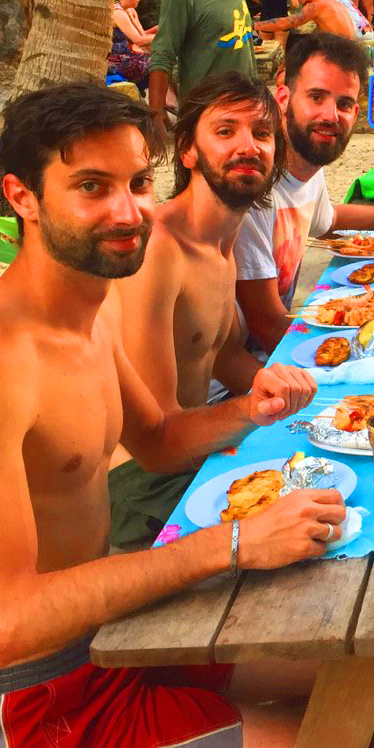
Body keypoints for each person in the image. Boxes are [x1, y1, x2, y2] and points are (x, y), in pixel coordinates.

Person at [0, 82, 374, 748]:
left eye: (137, 183)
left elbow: (161, 441)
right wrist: (234, 544)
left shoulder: (85, 314)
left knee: (346, 668)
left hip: (108, 637)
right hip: (36, 710)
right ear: (22, 197)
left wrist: (252, 410)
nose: (128, 211)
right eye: (91, 187)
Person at [106, 73, 283, 549]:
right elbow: (155, 431)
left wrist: (306, 396)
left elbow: (223, 357)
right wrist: (251, 412)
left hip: (191, 445)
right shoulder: (159, 249)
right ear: (187, 150)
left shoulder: (221, 241)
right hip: (137, 484)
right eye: (225, 131)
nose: (248, 146)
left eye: (262, 133)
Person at [235, 32, 374, 351]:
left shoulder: (307, 163)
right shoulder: (254, 187)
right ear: (283, 98)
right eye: (316, 97)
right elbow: (266, 325)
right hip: (250, 363)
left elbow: (331, 220)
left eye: (343, 104)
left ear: (355, 112)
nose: (330, 115)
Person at [108, 0, 156, 91]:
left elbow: (143, 36)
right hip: (116, 60)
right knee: (157, 63)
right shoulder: (118, 13)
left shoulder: (130, 10)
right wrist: (167, 37)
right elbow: (138, 40)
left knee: (163, 58)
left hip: (129, 55)